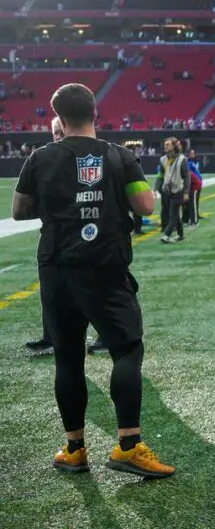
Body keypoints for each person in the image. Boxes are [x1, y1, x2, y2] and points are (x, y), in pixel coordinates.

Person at [12, 83, 175, 478]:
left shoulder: (39, 157)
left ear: (59, 117)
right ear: (95, 113)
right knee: (126, 349)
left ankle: (74, 449)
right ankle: (128, 447)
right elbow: (146, 205)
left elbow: (19, 210)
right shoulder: (119, 156)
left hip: (55, 269)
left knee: (68, 358)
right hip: (104, 266)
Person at [25, 117, 107, 357]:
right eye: (55, 134)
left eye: (62, 133)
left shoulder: (96, 159)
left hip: (92, 236)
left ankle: (108, 335)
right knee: (52, 292)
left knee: (97, 287)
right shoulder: (46, 161)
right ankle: (51, 337)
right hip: (58, 237)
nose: (59, 138)